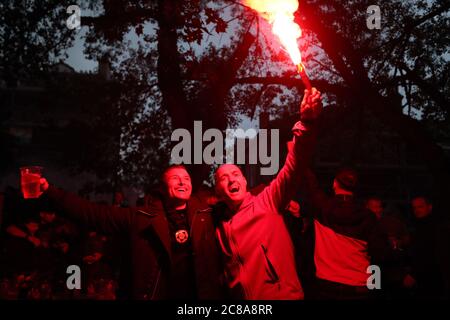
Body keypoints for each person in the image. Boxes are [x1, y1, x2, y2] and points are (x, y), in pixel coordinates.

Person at [37, 165, 224, 300]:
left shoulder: (206, 215)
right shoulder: (140, 217)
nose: (182, 181)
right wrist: (51, 192)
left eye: (186, 178)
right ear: (162, 188)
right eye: (175, 178)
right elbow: (94, 214)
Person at [212, 88, 322, 300]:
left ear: (244, 181)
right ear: (218, 191)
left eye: (235, 174)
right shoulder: (220, 227)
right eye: (223, 178)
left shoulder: (268, 201)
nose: (231, 179)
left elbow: (294, 166)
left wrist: (306, 124)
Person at [301, 168, 393, 299]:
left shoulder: (322, 207)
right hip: (358, 287)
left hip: (327, 284)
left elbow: (311, 184)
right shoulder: (369, 217)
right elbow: (379, 253)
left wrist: (296, 152)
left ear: (334, 184)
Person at [404, 195, 448, 298]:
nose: (417, 210)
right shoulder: (419, 226)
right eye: (414, 207)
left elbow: (430, 254)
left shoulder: (435, 227)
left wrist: (414, 274)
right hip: (426, 277)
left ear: (429, 207)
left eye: (420, 207)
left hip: (432, 277)